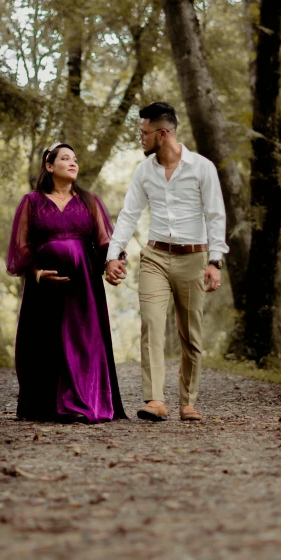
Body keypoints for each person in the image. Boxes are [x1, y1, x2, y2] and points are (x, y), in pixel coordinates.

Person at [105, 102, 229, 422]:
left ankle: (187, 403)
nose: (140, 138)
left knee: (191, 335)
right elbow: (129, 215)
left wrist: (215, 261)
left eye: (144, 133)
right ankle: (155, 400)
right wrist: (112, 256)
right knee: (152, 325)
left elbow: (216, 215)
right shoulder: (143, 171)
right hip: (155, 257)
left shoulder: (202, 168)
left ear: (163, 134)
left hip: (194, 258)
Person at [6, 143, 127, 423]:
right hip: (44, 287)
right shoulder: (32, 201)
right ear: (49, 166)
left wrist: (113, 261)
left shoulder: (89, 201)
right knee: (45, 342)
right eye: (65, 158)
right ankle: (46, 405)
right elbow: (21, 247)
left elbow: (105, 240)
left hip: (83, 284)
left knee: (83, 341)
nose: (73, 163)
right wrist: (37, 273)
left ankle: (83, 402)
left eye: (75, 158)